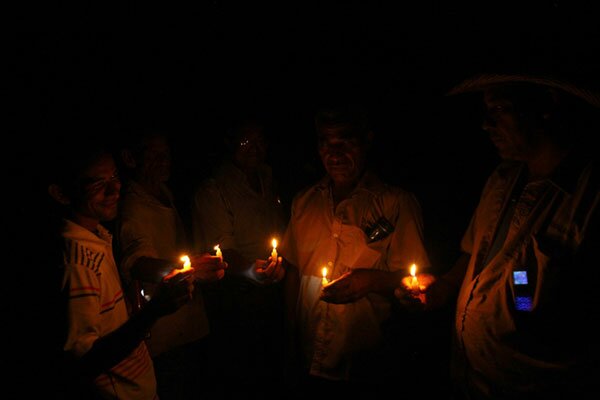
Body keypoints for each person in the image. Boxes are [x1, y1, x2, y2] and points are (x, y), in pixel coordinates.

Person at [396, 72, 600, 399]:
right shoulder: (502, 178)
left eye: (501, 109)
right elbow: (475, 253)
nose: (486, 124)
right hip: (467, 379)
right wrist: (443, 287)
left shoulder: (589, 197)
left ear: (548, 104)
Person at [279, 102, 431, 394]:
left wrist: (373, 281)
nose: (334, 154)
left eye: (345, 141)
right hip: (308, 357)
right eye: (325, 142)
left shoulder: (396, 203)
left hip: (365, 364)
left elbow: (419, 283)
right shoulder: (304, 202)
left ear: (366, 140)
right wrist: (289, 342)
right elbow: (294, 272)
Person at [49, 138, 194, 399]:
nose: (114, 189)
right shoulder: (78, 263)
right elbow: (84, 362)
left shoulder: (98, 238)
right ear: (61, 193)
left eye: (114, 176)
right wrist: (153, 312)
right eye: (96, 182)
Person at [115, 129, 227, 399]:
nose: (163, 160)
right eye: (153, 155)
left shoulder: (162, 192)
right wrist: (189, 271)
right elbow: (139, 264)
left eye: (165, 153)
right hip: (165, 337)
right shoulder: (133, 207)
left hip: (187, 326)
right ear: (130, 158)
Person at [190, 113, 286, 392]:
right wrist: (250, 270)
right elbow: (221, 251)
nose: (254, 147)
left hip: (271, 294)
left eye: (260, 141)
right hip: (235, 301)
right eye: (246, 140)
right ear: (229, 143)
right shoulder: (214, 189)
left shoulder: (268, 177)